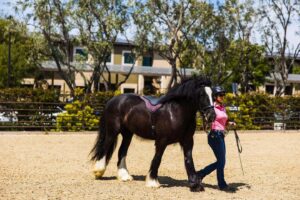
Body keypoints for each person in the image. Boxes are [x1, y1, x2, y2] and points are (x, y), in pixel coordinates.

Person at [197, 86, 237, 192]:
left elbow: (223, 121)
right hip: (214, 135)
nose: (223, 96)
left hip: (221, 135)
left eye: (223, 94)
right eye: (220, 95)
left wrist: (230, 123)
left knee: (221, 161)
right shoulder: (212, 108)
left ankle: (200, 174)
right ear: (215, 96)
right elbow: (207, 120)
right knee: (221, 161)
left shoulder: (222, 107)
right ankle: (222, 184)